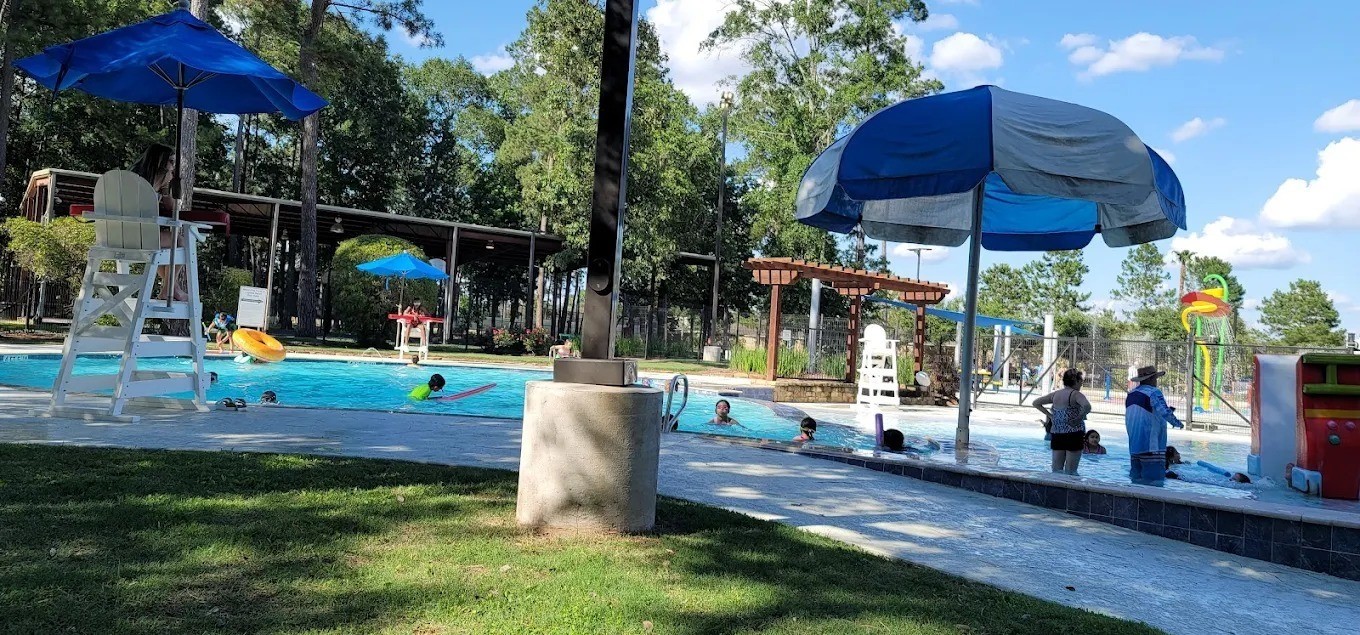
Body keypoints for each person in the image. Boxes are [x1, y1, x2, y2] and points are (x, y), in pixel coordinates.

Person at [130, 143, 189, 301]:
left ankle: (172, 288)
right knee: (180, 241)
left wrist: (164, 188)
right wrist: (168, 186)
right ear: (160, 161)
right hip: (140, 237)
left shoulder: (129, 177)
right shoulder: (158, 179)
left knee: (167, 244)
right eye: (170, 161)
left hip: (114, 236)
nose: (173, 167)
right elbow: (172, 208)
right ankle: (169, 290)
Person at [1125, 365, 1183, 486]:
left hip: (1134, 446)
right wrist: (1177, 423)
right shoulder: (1153, 392)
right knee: (1155, 481)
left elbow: (1145, 414)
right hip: (1151, 446)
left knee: (1136, 479)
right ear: (1151, 379)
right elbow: (1164, 412)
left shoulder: (1131, 394)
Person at [1033, 368, 1092, 475]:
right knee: (1071, 471)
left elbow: (1036, 403)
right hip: (1074, 434)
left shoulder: (1055, 394)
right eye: (1081, 382)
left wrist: (1050, 416)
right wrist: (1079, 418)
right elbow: (1087, 406)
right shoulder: (1076, 394)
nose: (1081, 385)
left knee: (1056, 470)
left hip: (1057, 434)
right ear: (1077, 381)